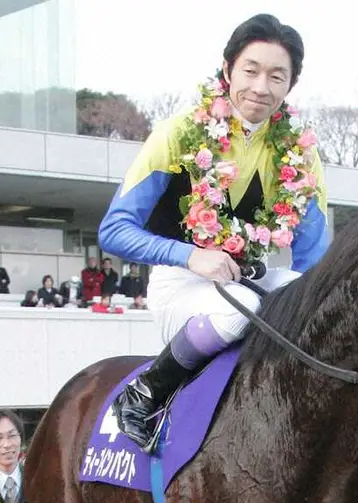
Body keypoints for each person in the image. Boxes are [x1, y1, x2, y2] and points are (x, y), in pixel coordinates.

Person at [98, 12, 329, 451]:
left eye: (277, 76)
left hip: (248, 277)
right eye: (251, 70)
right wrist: (190, 256)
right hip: (181, 283)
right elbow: (114, 230)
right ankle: (146, 392)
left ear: (290, 86)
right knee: (240, 307)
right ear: (227, 70)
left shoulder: (301, 153)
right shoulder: (179, 132)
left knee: (308, 296)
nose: (262, 87)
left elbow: (315, 258)